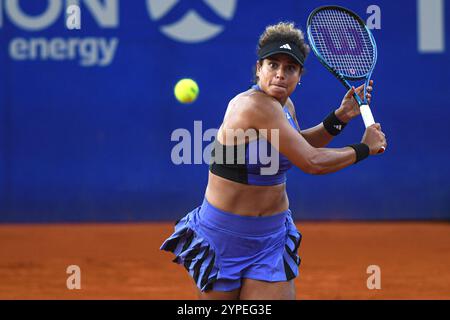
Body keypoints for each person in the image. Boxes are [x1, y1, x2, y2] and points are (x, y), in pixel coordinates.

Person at [161, 22, 387, 300]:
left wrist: (338, 119)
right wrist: (363, 148)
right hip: (223, 239)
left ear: (300, 75)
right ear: (259, 68)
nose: (280, 74)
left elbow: (297, 145)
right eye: (273, 65)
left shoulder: (284, 106)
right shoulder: (252, 106)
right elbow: (311, 162)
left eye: (290, 68)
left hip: (270, 239)